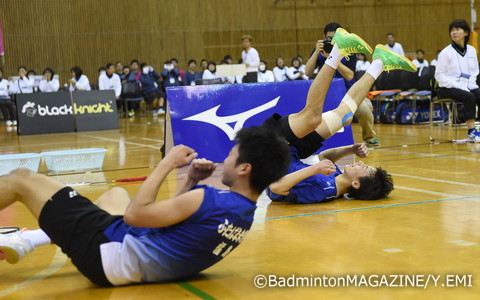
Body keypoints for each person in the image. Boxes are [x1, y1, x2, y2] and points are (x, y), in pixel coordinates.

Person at [0, 126, 290, 286]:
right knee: (114, 196)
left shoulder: (209, 198)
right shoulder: (244, 213)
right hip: (123, 260)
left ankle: (31, 236)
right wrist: (189, 179)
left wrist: (167, 163)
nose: (225, 159)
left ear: (244, 169)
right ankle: (28, 239)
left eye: (231, 154)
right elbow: (174, 222)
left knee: (20, 178)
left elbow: (136, 216)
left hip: (104, 251)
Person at [263, 29, 416, 204]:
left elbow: (276, 187)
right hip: (290, 151)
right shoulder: (336, 179)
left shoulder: (325, 190)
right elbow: (323, 158)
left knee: (312, 117)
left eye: (364, 167)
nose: (360, 163)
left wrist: (313, 170)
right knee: (345, 117)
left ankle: (338, 50)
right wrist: (349, 150)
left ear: (356, 183)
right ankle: (379, 63)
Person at [306, 22, 380, 146]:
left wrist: (334, 58)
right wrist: (315, 53)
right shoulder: (320, 50)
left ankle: (369, 138)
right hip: (326, 93)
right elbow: (308, 72)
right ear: (324, 37)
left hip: (349, 92)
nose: (334, 41)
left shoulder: (350, 51)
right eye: (330, 38)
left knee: (365, 110)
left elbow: (350, 75)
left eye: (337, 38)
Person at [435, 19, 480, 143]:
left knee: (478, 94)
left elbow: (474, 71)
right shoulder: (445, 53)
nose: (454, 32)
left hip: (467, 85)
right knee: (470, 97)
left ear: (466, 33)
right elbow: (439, 75)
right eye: (452, 30)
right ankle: (471, 132)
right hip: (447, 88)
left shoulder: (471, 50)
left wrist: (471, 85)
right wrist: (458, 85)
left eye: (457, 29)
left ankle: (478, 129)